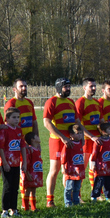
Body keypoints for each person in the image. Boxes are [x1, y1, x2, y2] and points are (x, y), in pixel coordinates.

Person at [43, 78, 78, 207]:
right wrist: (63, 137)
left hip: (71, 142)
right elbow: (46, 122)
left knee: (69, 170)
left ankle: (70, 199)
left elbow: (77, 121)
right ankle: (49, 200)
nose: (68, 89)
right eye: (65, 87)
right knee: (54, 170)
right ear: (58, 87)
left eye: (69, 86)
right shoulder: (51, 101)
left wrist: (80, 136)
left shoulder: (70, 102)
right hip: (57, 141)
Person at [0, 107, 27, 217]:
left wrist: (24, 162)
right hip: (6, 163)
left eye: (18, 117)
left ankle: (14, 209)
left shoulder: (19, 130)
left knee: (15, 187)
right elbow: (0, 147)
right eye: (14, 117)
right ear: (7, 119)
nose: (16, 119)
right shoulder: (4, 130)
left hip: (16, 163)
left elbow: (22, 146)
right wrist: (4, 162)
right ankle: (5, 210)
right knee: (7, 186)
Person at [75, 78, 103, 190]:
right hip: (86, 139)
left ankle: (96, 193)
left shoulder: (96, 102)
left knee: (95, 167)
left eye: (95, 86)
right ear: (84, 87)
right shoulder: (80, 102)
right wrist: (91, 136)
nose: (94, 88)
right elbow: (78, 123)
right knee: (82, 167)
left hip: (97, 139)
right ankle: (78, 195)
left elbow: (101, 121)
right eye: (91, 86)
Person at [89, 123, 110, 202]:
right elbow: (94, 153)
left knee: (109, 182)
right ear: (103, 131)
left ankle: (108, 196)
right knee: (99, 182)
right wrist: (93, 164)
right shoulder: (98, 141)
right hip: (101, 166)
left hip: (109, 165)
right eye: (109, 129)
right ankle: (94, 196)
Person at [61, 124, 85, 206]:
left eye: (81, 133)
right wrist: (63, 167)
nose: (80, 135)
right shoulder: (69, 144)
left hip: (79, 169)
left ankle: (76, 201)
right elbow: (63, 156)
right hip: (71, 169)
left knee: (77, 187)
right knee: (69, 187)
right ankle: (67, 203)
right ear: (71, 135)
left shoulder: (81, 143)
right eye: (77, 133)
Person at [21, 131, 43, 212]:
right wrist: (27, 173)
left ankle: (34, 208)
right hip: (31, 173)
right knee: (28, 190)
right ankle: (26, 207)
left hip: (36, 173)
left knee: (33, 190)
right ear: (33, 140)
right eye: (36, 136)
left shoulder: (37, 149)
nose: (38, 137)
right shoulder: (30, 150)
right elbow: (26, 162)